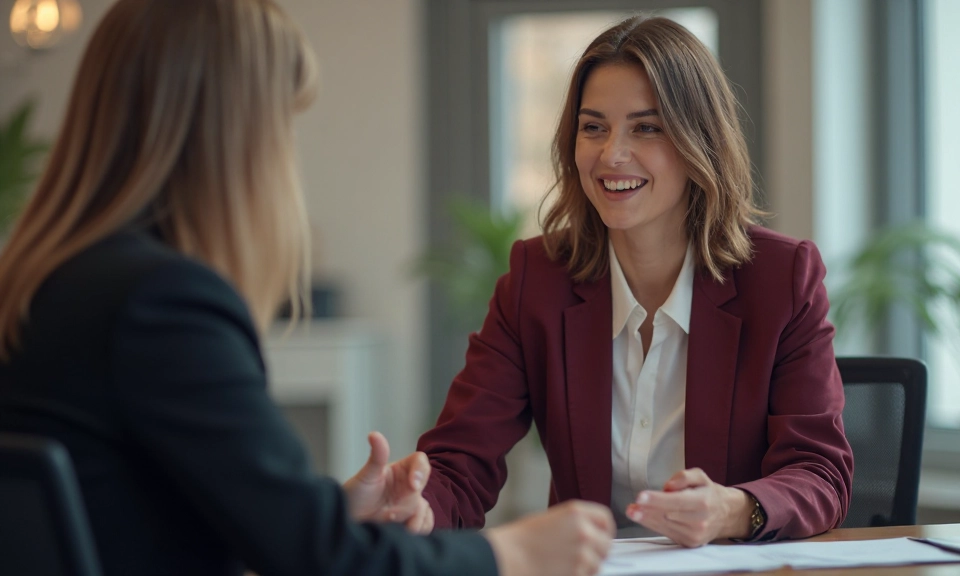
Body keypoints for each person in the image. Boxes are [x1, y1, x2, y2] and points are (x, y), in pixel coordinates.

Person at [0, 1, 614, 575]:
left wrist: (330, 512)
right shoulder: (163, 303)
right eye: (282, 122)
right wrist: (510, 552)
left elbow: (155, 509)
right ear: (232, 133)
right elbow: (318, 560)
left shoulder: (48, 282)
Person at [418, 15, 854, 547]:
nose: (611, 154)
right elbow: (459, 464)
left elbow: (820, 474)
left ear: (700, 143)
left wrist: (733, 510)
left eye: (646, 128)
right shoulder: (538, 280)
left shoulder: (780, 280)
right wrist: (411, 507)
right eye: (593, 127)